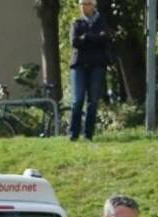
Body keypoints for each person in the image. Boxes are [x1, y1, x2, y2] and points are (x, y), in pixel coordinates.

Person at [69, 0, 111, 141]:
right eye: (81, 4)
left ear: (93, 5)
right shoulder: (77, 22)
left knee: (93, 101)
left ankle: (88, 134)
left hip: (97, 65)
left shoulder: (102, 22)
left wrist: (86, 37)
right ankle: (73, 134)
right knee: (78, 100)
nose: (83, 6)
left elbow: (105, 39)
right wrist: (93, 38)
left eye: (86, 3)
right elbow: (75, 42)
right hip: (79, 65)